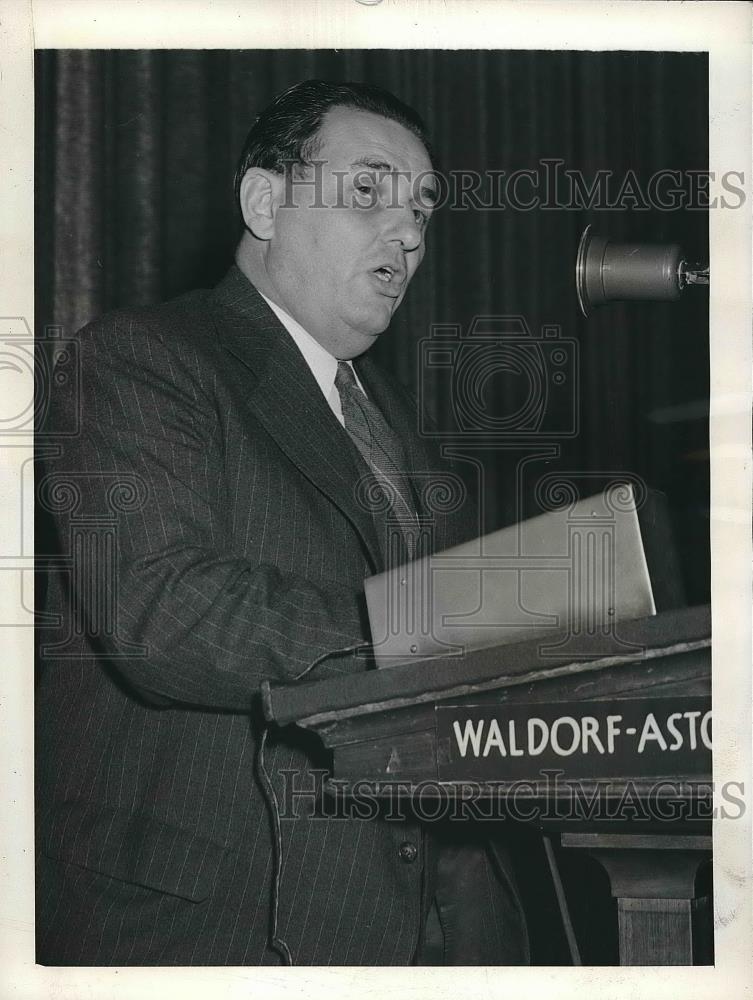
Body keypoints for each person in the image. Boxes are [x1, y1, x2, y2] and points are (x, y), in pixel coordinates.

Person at [35, 79, 529, 966]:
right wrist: (443, 624)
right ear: (266, 202)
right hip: (218, 926)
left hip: (419, 925)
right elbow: (162, 610)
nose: (410, 232)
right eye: (369, 191)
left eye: (422, 207)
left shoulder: (390, 418)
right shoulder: (138, 361)